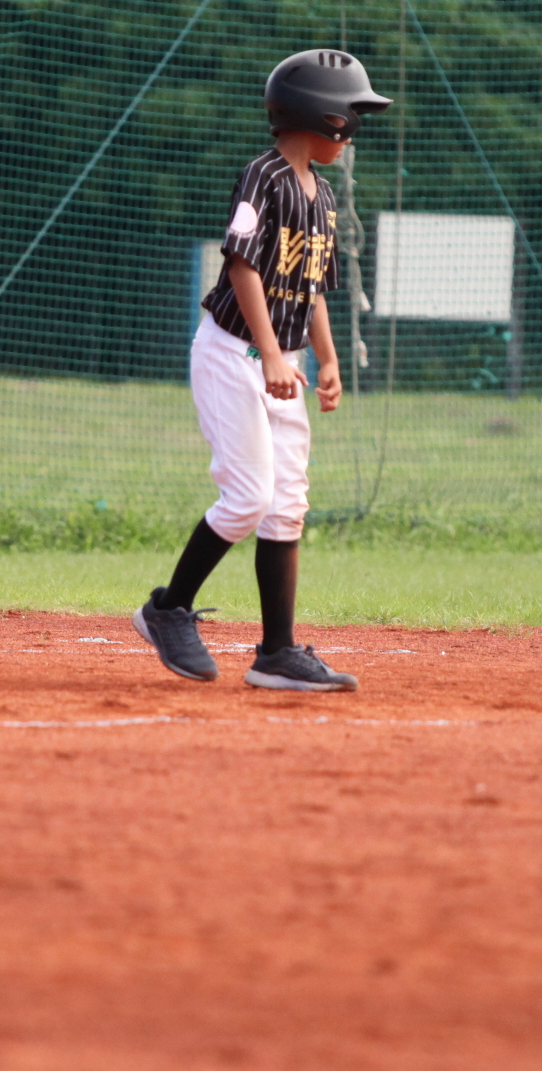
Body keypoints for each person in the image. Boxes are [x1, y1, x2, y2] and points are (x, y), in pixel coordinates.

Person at [133, 50, 390, 692]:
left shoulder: (321, 196)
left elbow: (313, 288)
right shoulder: (263, 176)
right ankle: (167, 609)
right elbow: (242, 264)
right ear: (323, 116)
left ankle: (276, 653)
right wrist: (272, 351)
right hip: (233, 355)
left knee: (286, 505)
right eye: (351, 114)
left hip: (285, 366)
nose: (353, 129)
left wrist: (326, 358)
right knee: (248, 496)